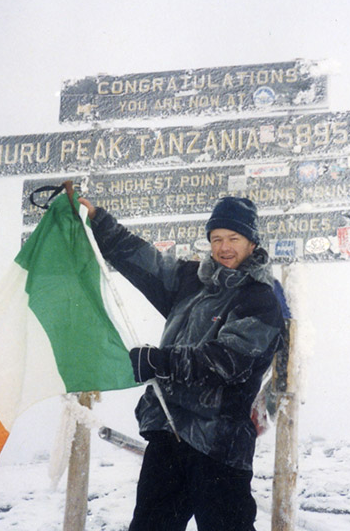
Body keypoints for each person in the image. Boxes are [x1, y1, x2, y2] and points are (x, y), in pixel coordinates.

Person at [77, 195, 284, 531]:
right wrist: (98, 220)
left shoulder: (259, 298)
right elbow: (144, 261)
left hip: (219, 449)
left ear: (252, 242)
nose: (224, 247)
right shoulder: (190, 279)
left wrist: (159, 361)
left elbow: (227, 361)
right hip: (168, 437)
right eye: (216, 238)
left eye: (233, 238)